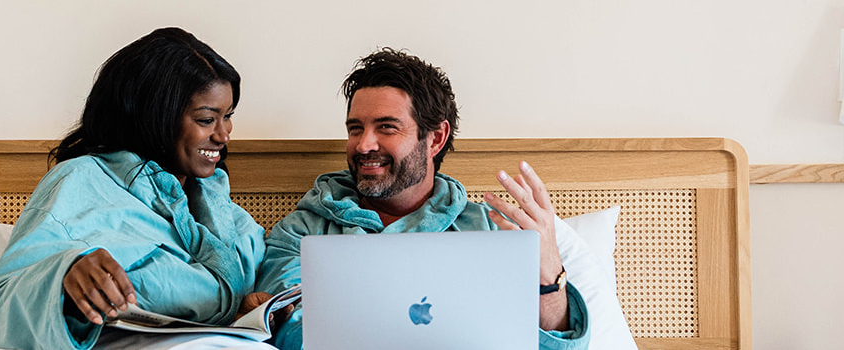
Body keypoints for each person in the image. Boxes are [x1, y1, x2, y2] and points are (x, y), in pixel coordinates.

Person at [251, 48, 591, 350]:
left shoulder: (492, 230)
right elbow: (288, 330)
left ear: (435, 138)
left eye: (386, 127)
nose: (364, 144)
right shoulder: (304, 230)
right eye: (355, 128)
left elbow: (556, 348)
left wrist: (549, 276)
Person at [0, 27, 273, 350]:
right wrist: (61, 280)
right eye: (207, 120)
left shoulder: (224, 213)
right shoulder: (80, 183)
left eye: (228, 116)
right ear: (157, 116)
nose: (224, 136)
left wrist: (246, 312)